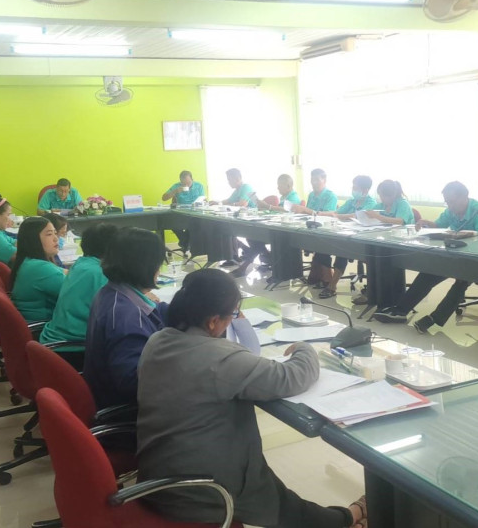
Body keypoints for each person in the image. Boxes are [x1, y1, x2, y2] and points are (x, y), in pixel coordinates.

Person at [136, 268, 366, 528]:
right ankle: (347, 519)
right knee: (274, 499)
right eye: (233, 315)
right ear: (213, 321)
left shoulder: (157, 340)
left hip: (157, 476)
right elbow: (292, 377)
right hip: (199, 490)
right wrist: (305, 349)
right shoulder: (218, 358)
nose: (232, 320)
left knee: (273, 489)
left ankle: (341, 517)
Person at [374, 181, 478, 333]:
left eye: (452, 202)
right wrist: (426, 223)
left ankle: (434, 318)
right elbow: (439, 225)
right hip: (456, 255)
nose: (449, 206)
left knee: (462, 280)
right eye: (447, 202)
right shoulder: (451, 211)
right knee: (429, 272)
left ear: (464, 197)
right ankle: (400, 310)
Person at [83, 227, 168, 410]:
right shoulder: (126, 318)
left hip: (107, 390)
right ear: (146, 266)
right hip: (129, 409)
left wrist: (187, 309)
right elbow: (133, 384)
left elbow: (155, 311)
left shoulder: (112, 292)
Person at [40, 223, 119, 371]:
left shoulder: (81, 264)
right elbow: (119, 316)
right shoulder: (100, 273)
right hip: (74, 349)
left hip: (55, 343)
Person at [314, 175, 378, 298]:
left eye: (356, 188)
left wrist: (341, 216)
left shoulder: (371, 203)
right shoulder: (351, 201)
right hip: (346, 234)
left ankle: (332, 286)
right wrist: (322, 214)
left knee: (342, 250)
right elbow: (336, 213)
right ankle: (327, 280)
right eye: (353, 187)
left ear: (365, 190)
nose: (353, 190)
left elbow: (357, 216)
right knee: (326, 245)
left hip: (363, 239)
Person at [232, 174, 302, 277]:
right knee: (253, 237)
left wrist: (268, 206)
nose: (277, 188)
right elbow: (278, 212)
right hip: (277, 227)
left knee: (256, 239)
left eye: (280, 185)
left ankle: (246, 266)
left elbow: (287, 211)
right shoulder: (284, 197)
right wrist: (264, 208)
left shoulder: (293, 197)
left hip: (286, 232)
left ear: (288, 186)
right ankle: (268, 257)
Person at [9, 217, 66, 323]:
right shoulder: (41, 269)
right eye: (49, 234)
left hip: (32, 321)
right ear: (33, 240)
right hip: (42, 326)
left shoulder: (29, 262)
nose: (56, 238)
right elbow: (77, 293)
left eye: (55, 233)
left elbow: (62, 272)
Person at [294, 168, 339, 287]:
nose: (314, 183)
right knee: (293, 239)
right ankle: (298, 272)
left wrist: (306, 210)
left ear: (324, 180)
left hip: (325, 230)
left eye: (317, 180)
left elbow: (328, 214)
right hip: (311, 227)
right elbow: (308, 213)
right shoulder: (311, 195)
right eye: (312, 180)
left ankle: (327, 277)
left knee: (321, 245)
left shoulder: (330, 196)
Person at [162, 170, 206, 253]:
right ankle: (185, 243)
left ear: (192, 179)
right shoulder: (176, 186)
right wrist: (175, 191)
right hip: (181, 213)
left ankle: (184, 243)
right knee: (170, 222)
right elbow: (164, 198)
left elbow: (203, 199)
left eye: (188, 183)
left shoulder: (199, 186)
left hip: (196, 212)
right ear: (180, 181)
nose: (186, 186)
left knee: (196, 223)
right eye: (183, 184)